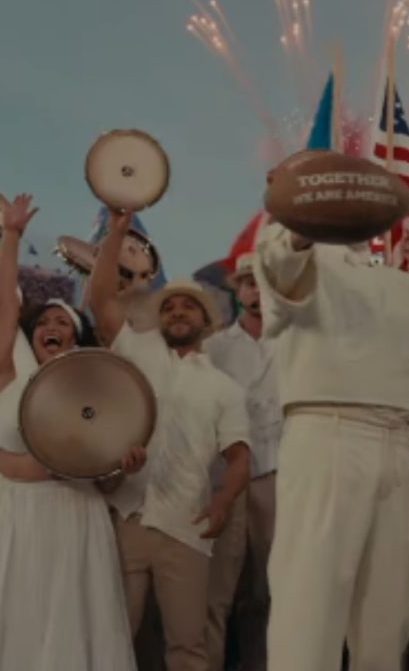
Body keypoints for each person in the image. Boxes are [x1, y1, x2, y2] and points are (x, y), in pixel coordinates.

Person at [0, 194, 141, 671]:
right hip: (13, 518)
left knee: (65, 629)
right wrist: (11, 237)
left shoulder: (97, 391)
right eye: (43, 321)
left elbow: (105, 479)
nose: (52, 326)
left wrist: (124, 469)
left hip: (75, 520)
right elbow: (2, 308)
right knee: (7, 626)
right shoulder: (6, 372)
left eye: (63, 323)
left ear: (75, 338)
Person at [254, 212, 409, 671]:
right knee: (307, 618)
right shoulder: (294, 251)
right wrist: (302, 216)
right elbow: (283, 274)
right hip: (323, 433)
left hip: (398, 448)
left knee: (387, 627)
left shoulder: (408, 290)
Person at [90, 209, 251, 671]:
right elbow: (101, 297)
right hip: (129, 516)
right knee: (115, 637)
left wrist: (222, 501)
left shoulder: (225, 388)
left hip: (188, 524)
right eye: (169, 306)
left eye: (188, 307)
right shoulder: (134, 348)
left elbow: (239, 457)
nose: (177, 312)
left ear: (208, 321)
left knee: (187, 645)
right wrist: (118, 233)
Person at [204, 253, 281, 671]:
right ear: (238, 290)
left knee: (268, 591)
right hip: (225, 480)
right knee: (219, 591)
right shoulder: (214, 347)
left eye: (263, 283)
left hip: (275, 475)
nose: (256, 291)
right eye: (249, 283)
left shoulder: (292, 343)